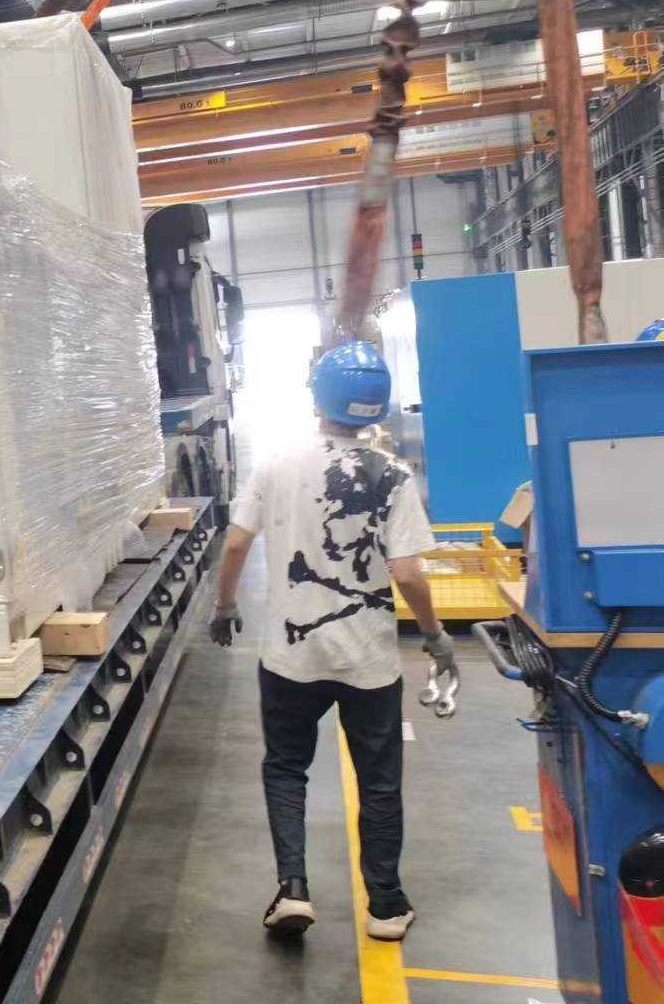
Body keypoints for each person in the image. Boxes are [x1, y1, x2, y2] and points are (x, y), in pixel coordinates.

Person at [208, 340, 456, 942]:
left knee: (286, 767)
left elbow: (236, 543)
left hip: (290, 658)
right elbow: (408, 574)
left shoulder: (277, 463)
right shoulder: (393, 475)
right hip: (368, 661)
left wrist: (225, 605)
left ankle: (293, 889)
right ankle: (386, 905)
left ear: (318, 398)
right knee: (378, 781)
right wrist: (434, 635)